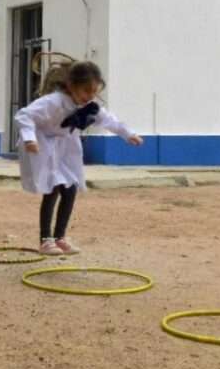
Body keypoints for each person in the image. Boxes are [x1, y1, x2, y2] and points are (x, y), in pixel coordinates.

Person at [14, 60, 143, 256]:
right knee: (53, 187)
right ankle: (45, 240)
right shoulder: (53, 102)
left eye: (94, 91)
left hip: (64, 148)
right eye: (86, 91)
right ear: (72, 86)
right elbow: (24, 115)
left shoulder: (88, 106)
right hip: (43, 144)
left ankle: (60, 237)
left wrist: (128, 134)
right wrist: (30, 138)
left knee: (70, 188)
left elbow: (109, 120)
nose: (90, 96)